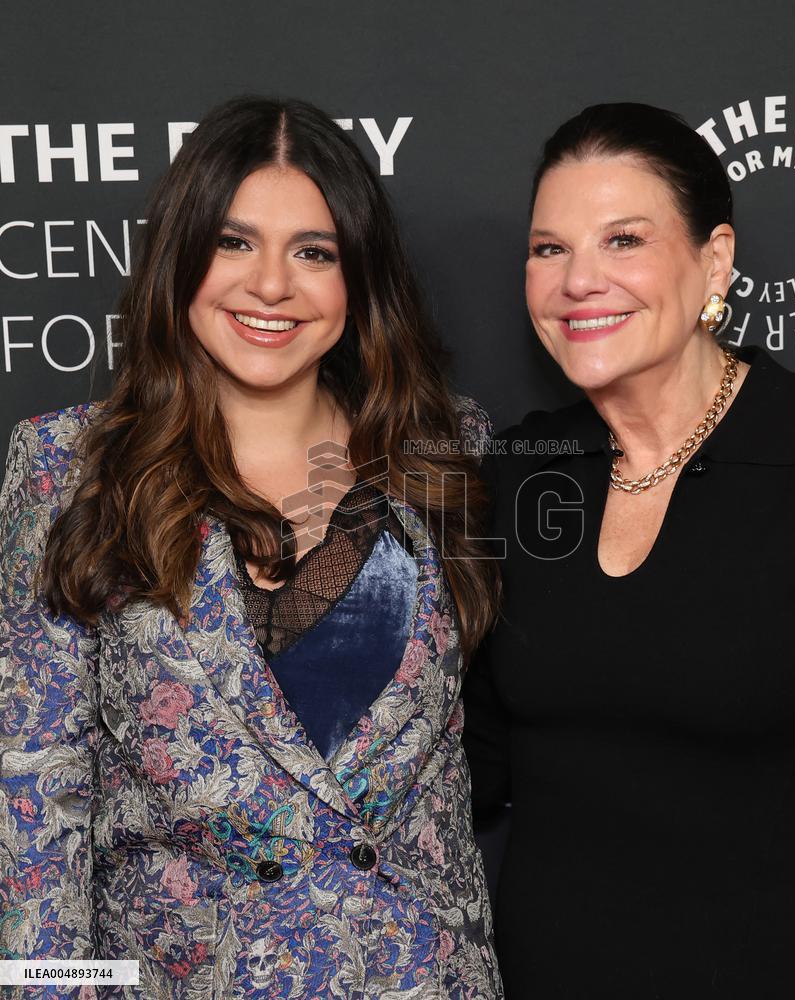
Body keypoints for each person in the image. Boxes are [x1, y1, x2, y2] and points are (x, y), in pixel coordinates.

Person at [0, 95, 503, 999]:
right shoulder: (68, 469)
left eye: (313, 252)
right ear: (179, 259)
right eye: (234, 243)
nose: (270, 285)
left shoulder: (449, 453)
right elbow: (34, 809)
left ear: (358, 279)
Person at [462, 102, 795, 999]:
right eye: (548, 249)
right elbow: (464, 765)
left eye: (624, 240)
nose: (577, 282)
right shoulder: (522, 472)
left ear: (712, 260)